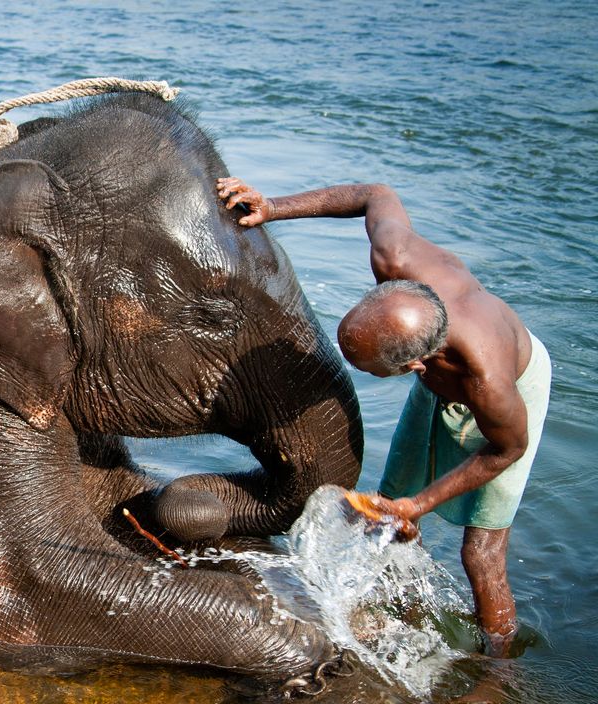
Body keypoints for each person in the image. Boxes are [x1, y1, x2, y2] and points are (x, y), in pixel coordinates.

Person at [216, 176, 550, 656]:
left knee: (481, 552)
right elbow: (375, 192)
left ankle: (499, 670)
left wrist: (422, 504)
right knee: (386, 509)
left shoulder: (489, 383)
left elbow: (507, 449)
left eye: (373, 371)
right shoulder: (396, 258)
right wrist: (271, 206)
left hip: (513, 395)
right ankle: (394, 616)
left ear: (416, 366)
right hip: (441, 367)